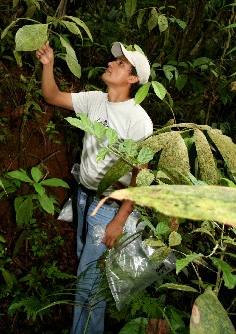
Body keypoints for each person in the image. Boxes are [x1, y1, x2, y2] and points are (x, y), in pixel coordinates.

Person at [36, 41, 153, 334]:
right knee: (87, 273)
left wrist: (120, 220)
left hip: (109, 210)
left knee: (88, 285)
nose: (111, 63)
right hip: (84, 199)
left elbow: (141, 179)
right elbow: (51, 96)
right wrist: (48, 64)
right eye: (115, 60)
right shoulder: (94, 100)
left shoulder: (139, 121)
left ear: (133, 79)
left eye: (121, 64)